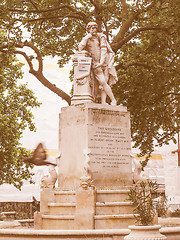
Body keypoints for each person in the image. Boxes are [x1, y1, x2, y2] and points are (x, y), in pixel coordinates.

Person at [78, 22, 118, 105]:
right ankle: (113, 99)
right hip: (95, 64)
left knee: (104, 83)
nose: (94, 30)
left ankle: (104, 102)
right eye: (92, 28)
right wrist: (86, 37)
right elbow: (80, 47)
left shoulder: (101, 37)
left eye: (95, 28)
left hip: (105, 62)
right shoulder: (87, 39)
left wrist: (101, 63)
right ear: (88, 30)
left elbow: (104, 50)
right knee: (103, 82)